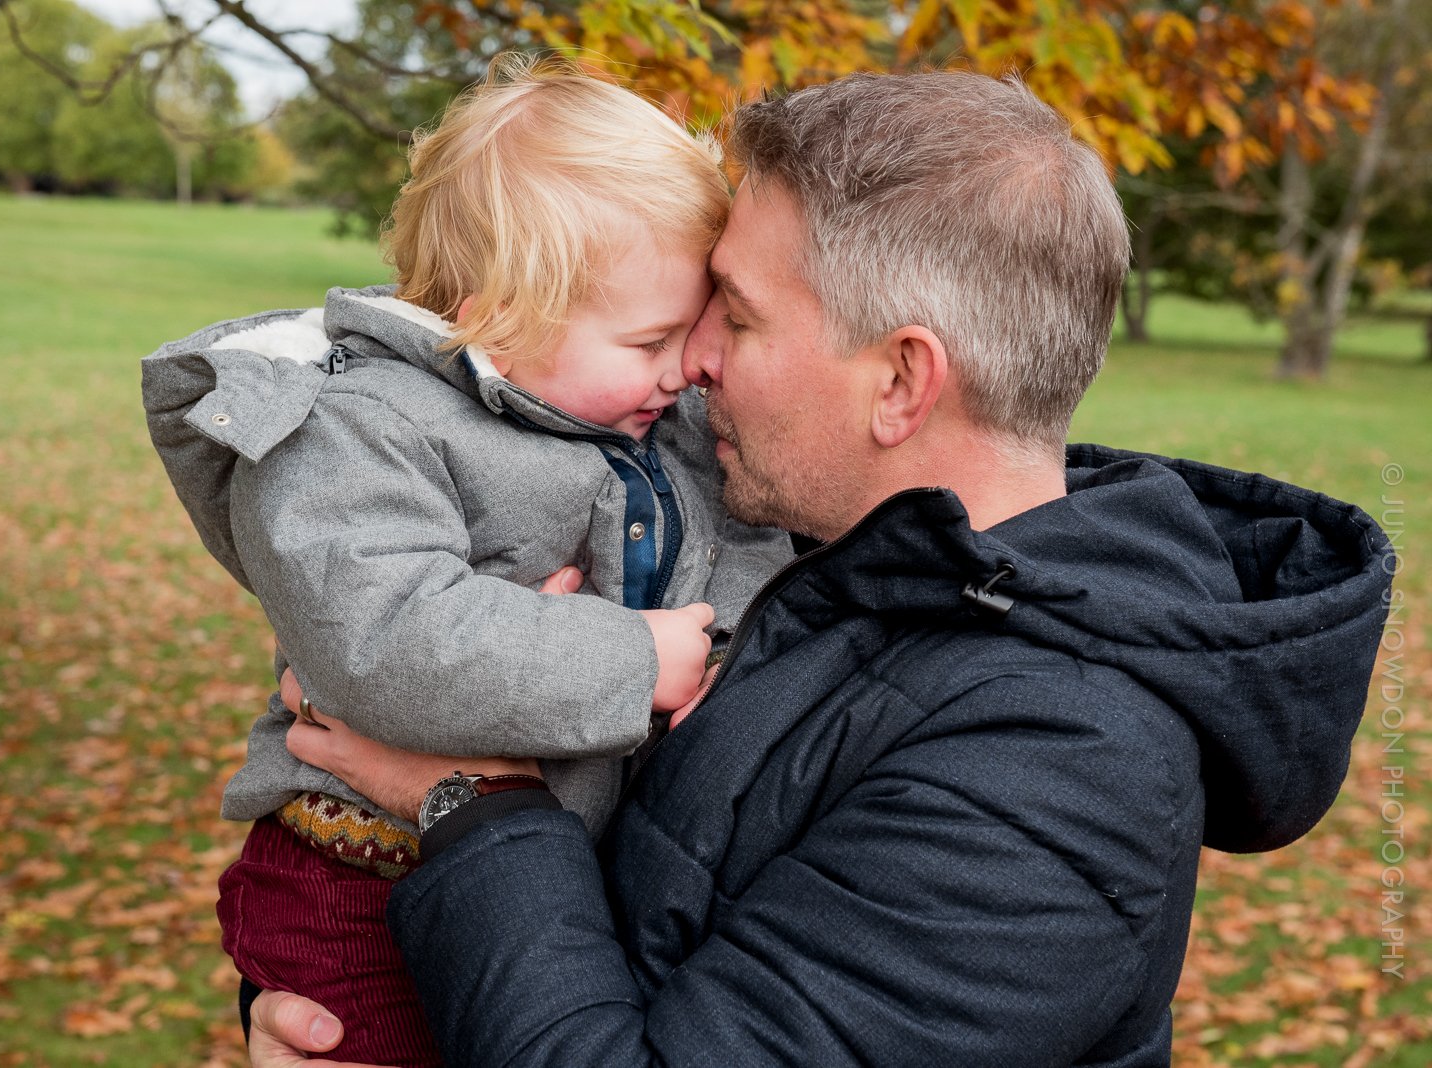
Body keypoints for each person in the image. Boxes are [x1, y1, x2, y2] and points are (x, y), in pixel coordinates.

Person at [248, 70, 1394, 1066]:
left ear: (900, 381)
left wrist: (473, 799)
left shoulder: (1054, 772)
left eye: (734, 319)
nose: (693, 360)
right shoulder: (826, 554)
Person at [140, 56, 794, 1066]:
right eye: (651, 339)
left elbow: (745, 547)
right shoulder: (355, 428)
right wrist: (631, 659)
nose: (683, 370)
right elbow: (387, 637)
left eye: (697, 329)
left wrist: (725, 660)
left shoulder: (640, 421)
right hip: (362, 881)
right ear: (501, 310)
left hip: (549, 884)